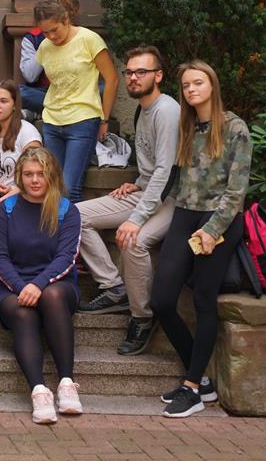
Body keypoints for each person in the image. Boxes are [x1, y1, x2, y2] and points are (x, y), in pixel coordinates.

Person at [150, 61, 251, 419]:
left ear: (212, 85)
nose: (191, 89)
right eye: (186, 85)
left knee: (204, 300)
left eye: (198, 82)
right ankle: (201, 378)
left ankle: (192, 388)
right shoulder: (187, 125)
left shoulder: (235, 128)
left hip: (218, 221)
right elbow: (176, 180)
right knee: (162, 300)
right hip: (184, 214)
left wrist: (213, 230)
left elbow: (236, 191)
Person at [77, 46, 179, 357]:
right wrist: (136, 184)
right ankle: (114, 287)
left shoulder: (167, 110)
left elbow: (167, 171)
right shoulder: (141, 110)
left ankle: (142, 316)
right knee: (74, 215)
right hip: (146, 192)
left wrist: (136, 219)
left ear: (158, 76)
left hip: (172, 200)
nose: (133, 77)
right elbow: (151, 168)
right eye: (130, 72)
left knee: (134, 242)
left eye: (141, 72)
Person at [0, 147, 83, 424]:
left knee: (52, 296)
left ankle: (66, 383)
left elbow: (67, 257)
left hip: (57, 285)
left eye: (41, 174)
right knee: (23, 312)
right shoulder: (5, 210)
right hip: (12, 285)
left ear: (51, 175)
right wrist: (22, 287)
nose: (34, 180)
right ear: (20, 176)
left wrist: (39, 284)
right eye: (28, 174)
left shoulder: (67, 210)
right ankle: (39, 390)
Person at [32, 0, 119, 203]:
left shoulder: (89, 39)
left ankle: (74, 225)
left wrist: (104, 119)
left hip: (83, 120)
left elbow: (112, 79)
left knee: (70, 188)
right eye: (45, 32)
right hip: (52, 121)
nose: (51, 36)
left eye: (54, 30)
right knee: (53, 186)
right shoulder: (45, 46)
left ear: (66, 19)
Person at [19, 0, 80, 117]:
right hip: (44, 93)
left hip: (74, 94)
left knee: (100, 89)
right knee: (17, 92)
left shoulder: (82, 36)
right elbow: (30, 76)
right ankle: (53, 110)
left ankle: (40, 112)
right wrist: (46, 44)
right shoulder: (33, 38)